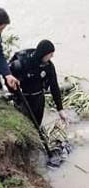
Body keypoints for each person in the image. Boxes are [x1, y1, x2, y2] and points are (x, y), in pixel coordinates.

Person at [8, 40, 69, 168]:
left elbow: (54, 87)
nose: (51, 58)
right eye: (50, 55)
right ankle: (22, 152)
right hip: (23, 98)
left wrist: (60, 109)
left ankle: (34, 150)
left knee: (37, 125)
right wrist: (13, 87)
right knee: (25, 126)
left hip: (38, 98)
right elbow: (7, 75)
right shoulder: (23, 62)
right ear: (43, 53)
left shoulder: (48, 67)